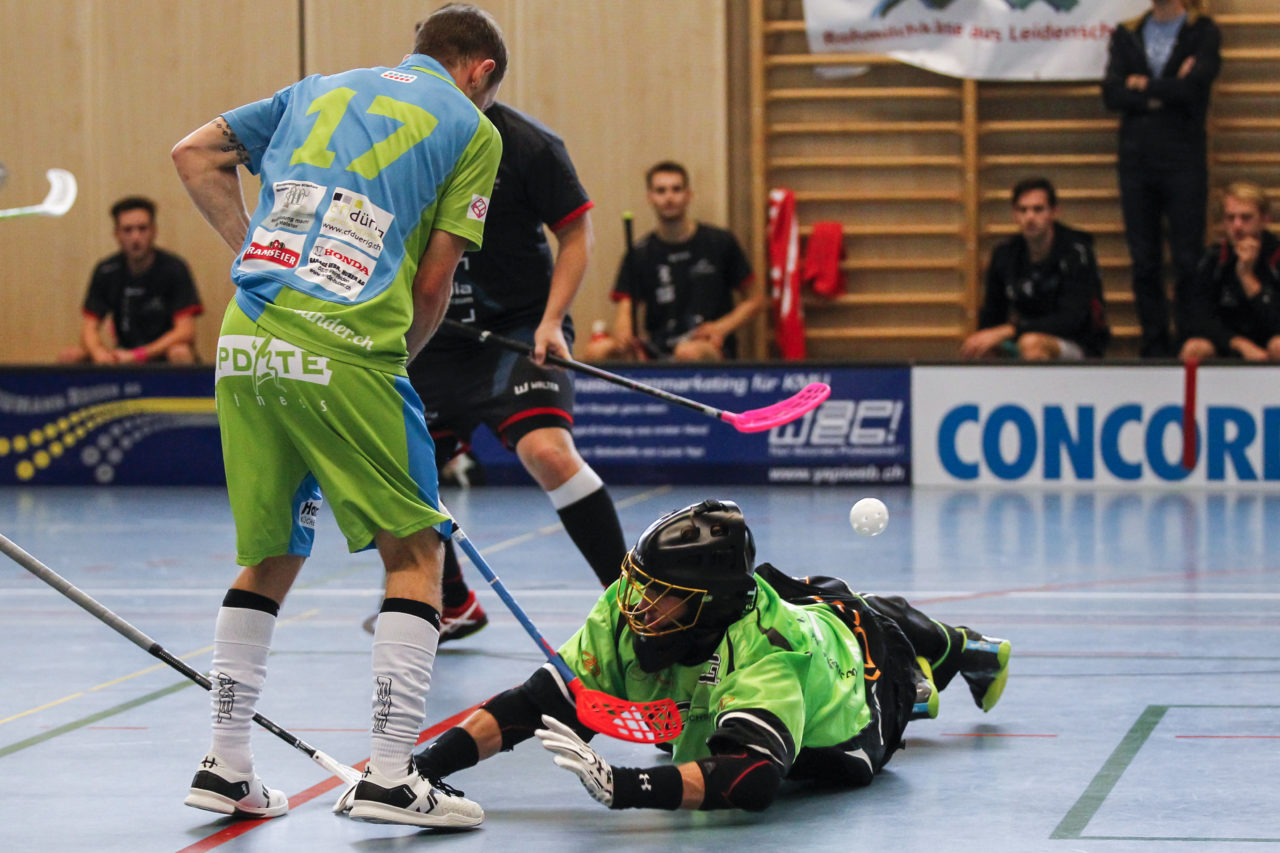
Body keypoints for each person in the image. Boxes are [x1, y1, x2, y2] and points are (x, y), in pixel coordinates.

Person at [170, 3, 506, 828]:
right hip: (349, 346)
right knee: (417, 553)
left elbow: (195, 154)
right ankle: (393, 776)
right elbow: (432, 288)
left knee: (273, 550)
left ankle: (225, 765)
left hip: (248, 337)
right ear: (481, 73)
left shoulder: (315, 88)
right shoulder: (472, 129)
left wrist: (256, 248)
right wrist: (393, 358)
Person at [348, 499, 1012, 815]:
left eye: (657, 592)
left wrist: (629, 785)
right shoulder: (633, 605)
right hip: (757, 633)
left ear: (706, 601)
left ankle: (964, 649)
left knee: (874, 624)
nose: (634, 599)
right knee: (805, 586)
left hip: (854, 698)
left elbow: (751, 778)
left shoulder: (768, 654)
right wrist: (420, 767)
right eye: (640, 579)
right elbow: (539, 704)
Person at [399, 98, 627, 640]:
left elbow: (576, 234)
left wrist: (552, 322)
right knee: (402, 471)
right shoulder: (399, 138)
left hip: (519, 330)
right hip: (435, 333)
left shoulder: (528, 144)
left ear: (478, 74)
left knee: (547, 451)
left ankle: (634, 604)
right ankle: (453, 602)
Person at [1103, 0, 1221, 358]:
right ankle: (1154, 344)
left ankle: (1190, 338)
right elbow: (1111, 94)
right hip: (1137, 160)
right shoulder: (1128, 33)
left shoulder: (1201, 31)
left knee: (1188, 258)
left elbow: (1195, 89)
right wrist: (1167, 87)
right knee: (1144, 261)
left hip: (1183, 157)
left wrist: (1143, 86)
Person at [582, 162, 762, 362]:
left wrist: (721, 327)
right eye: (661, 191)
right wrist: (624, 335)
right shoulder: (640, 252)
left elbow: (755, 300)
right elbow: (626, 309)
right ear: (650, 197)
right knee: (597, 351)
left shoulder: (719, 241)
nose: (669, 197)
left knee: (687, 353)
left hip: (707, 345)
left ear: (688, 195)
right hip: (656, 346)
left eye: (676, 189)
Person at [960, 177, 1109, 361]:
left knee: (1032, 343)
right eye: (1023, 210)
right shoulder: (1005, 255)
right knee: (981, 346)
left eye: (1038, 210)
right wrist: (984, 339)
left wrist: (1012, 329)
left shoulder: (1076, 252)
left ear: (1054, 212)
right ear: (1015, 215)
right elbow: (992, 314)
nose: (1030, 217)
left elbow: (1072, 319)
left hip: (1078, 344)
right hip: (1024, 336)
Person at [58, 196, 202, 364]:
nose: (135, 237)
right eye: (128, 230)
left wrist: (140, 355)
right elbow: (89, 328)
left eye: (142, 229)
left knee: (180, 352)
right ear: (116, 234)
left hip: (161, 354)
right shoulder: (106, 270)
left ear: (154, 231)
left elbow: (186, 331)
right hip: (122, 353)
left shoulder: (174, 268)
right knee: (69, 355)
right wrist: (99, 353)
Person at [1180, 182, 1280, 362]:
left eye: (1246, 217)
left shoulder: (1277, 256)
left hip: (1269, 342)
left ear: (1265, 219)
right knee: (1194, 348)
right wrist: (1239, 344)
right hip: (1229, 342)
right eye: (1230, 218)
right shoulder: (1213, 258)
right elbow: (1196, 318)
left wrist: (1246, 276)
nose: (1237, 226)